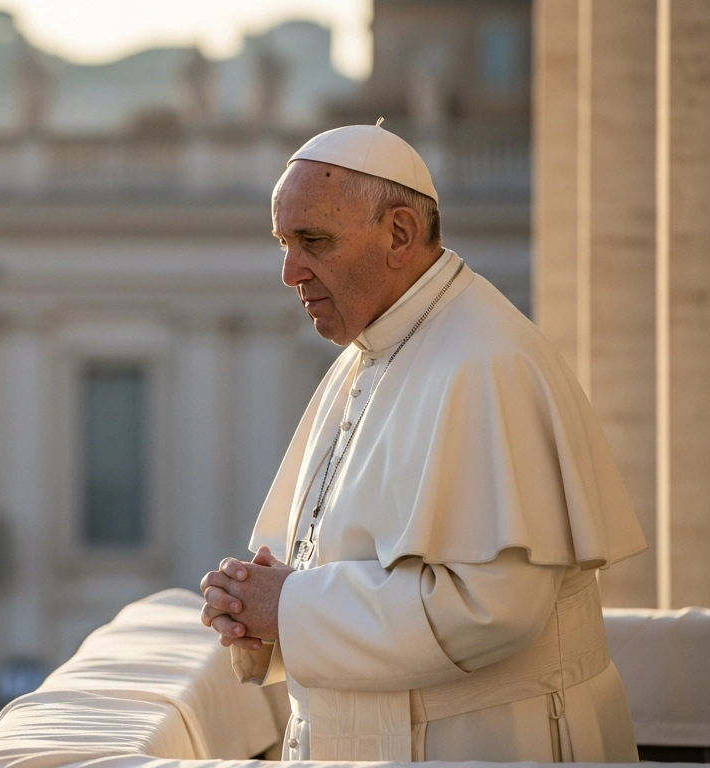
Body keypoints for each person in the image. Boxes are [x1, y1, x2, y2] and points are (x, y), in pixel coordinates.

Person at [199, 122, 646, 762]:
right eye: (283, 243)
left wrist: (289, 607)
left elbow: (492, 609)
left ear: (400, 235)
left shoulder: (484, 360)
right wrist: (257, 605)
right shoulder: (370, 351)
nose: (289, 271)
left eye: (314, 242)